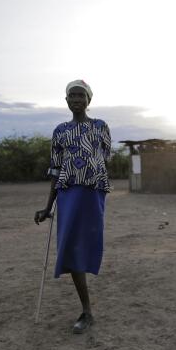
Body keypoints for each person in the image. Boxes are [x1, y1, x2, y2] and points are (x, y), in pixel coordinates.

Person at [34, 79, 111, 334]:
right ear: (66, 100)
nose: (76, 99)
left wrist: (95, 184)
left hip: (92, 193)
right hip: (67, 194)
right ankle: (87, 310)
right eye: (72, 95)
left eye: (81, 95)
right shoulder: (60, 131)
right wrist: (48, 207)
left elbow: (104, 160)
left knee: (88, 243)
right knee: (69, 245)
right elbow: (55, 170)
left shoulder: (101, 127)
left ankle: (87, 310)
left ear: (89, 99)